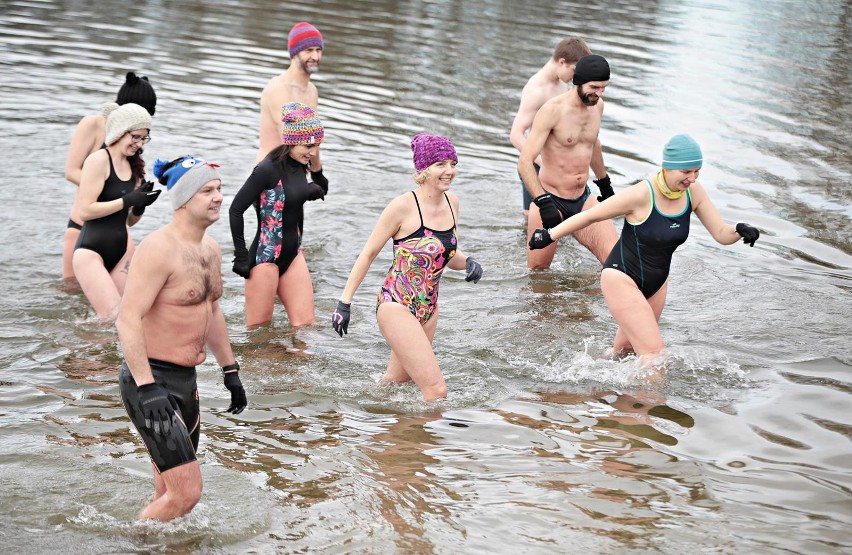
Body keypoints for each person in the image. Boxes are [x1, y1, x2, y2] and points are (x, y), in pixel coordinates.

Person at [529, 134, 761, 367]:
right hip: (622, 277)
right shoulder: (641, 194)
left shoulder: (694, 193)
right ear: (668, 167)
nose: (692, 178)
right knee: (654, 355)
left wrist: (739, 230)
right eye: (686, 172)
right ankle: (650, 402)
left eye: (697, 171)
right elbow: (590, 215)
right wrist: (549, 234)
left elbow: (721, 233)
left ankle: (585, 377)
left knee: (625, 351)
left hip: (657, 282)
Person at [115, 155, 248, 522]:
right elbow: (128, 319)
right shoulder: (159, 249)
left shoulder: (210, 250)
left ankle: (162, 547)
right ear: (185, 200)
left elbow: (212, 313)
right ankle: (130, 544)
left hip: (186, 384)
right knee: (187, 493)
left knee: (170, 492)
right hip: (151, 383)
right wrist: (146, 386)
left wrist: (230, 370)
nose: (218, 197)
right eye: (207, 191)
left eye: (219, 189)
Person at [331, 133, 484, 402]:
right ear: (423, 170)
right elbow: (368, 254)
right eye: (441, 164)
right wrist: (345, 302)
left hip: (429, 307)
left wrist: (468, 262)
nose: (449, 171)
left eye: (453, 163)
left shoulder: (453, 202)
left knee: (395, 384)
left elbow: (446, 253)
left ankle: (370, 426)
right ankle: (425, 443)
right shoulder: (402, 206)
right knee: (436, 391)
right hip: (397, 304)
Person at [230, 102, 329, 328]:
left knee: (306, 327)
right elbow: (236, 209)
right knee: (259, 334)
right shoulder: (266, 169)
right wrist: (241, 255)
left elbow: (288, 196)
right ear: (291, 141)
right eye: (308, 146)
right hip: (265, 259)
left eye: (317, 145)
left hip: (294, 255)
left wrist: (310, 190)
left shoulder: (300, 163)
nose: (313, 152)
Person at [518, 54, 618, 270]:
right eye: (594, 87)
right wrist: (543, 203)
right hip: (551, 199)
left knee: (617, 264)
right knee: (539, 276)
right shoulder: (552, 110)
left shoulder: (598, 106)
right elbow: (525, 162)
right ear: (578, 81)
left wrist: (605, 184)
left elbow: (593, 146)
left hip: (583, 199)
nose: (599, 94)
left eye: (604, 88)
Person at [63, 71, 157, 281]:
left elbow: (126, 184)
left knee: (119, 305)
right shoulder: (93, 125)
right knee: (71, 293)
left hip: (117, 228)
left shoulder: (133, 142)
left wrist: (137, 201)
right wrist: (108, 190)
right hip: (82, 223)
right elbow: (71, 171)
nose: (140, 141)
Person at [72, 102, 162, 320]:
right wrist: (127, 200)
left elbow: (129, 222)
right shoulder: (98, 160)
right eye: (136, 137)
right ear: (121, 131)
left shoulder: (134, 167)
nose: (139, 144)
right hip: (90, 252)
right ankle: (83, 353)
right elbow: (85, 211)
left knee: (132, 316)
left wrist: (139, 207)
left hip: (120, 251)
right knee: (113, 317)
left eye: (144, 139)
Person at [509, 37, 592, 216]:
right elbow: (516, 135)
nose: (576, 77)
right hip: (537, 166)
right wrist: (542, 161)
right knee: (533, 220)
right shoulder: (537, 90)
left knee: (563, 220)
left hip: (557, 164)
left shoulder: (562, 83)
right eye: (574, 70)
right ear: (562, 62)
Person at [256, 21, 324, 166]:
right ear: (294, 53)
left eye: (318, 50)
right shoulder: (279, 89)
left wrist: (317, 172)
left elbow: (312, 138)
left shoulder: (312, 90)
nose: (315, 56)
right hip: (270, 177)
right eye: (309, 50)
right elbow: (293, 142)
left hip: (294, 172)